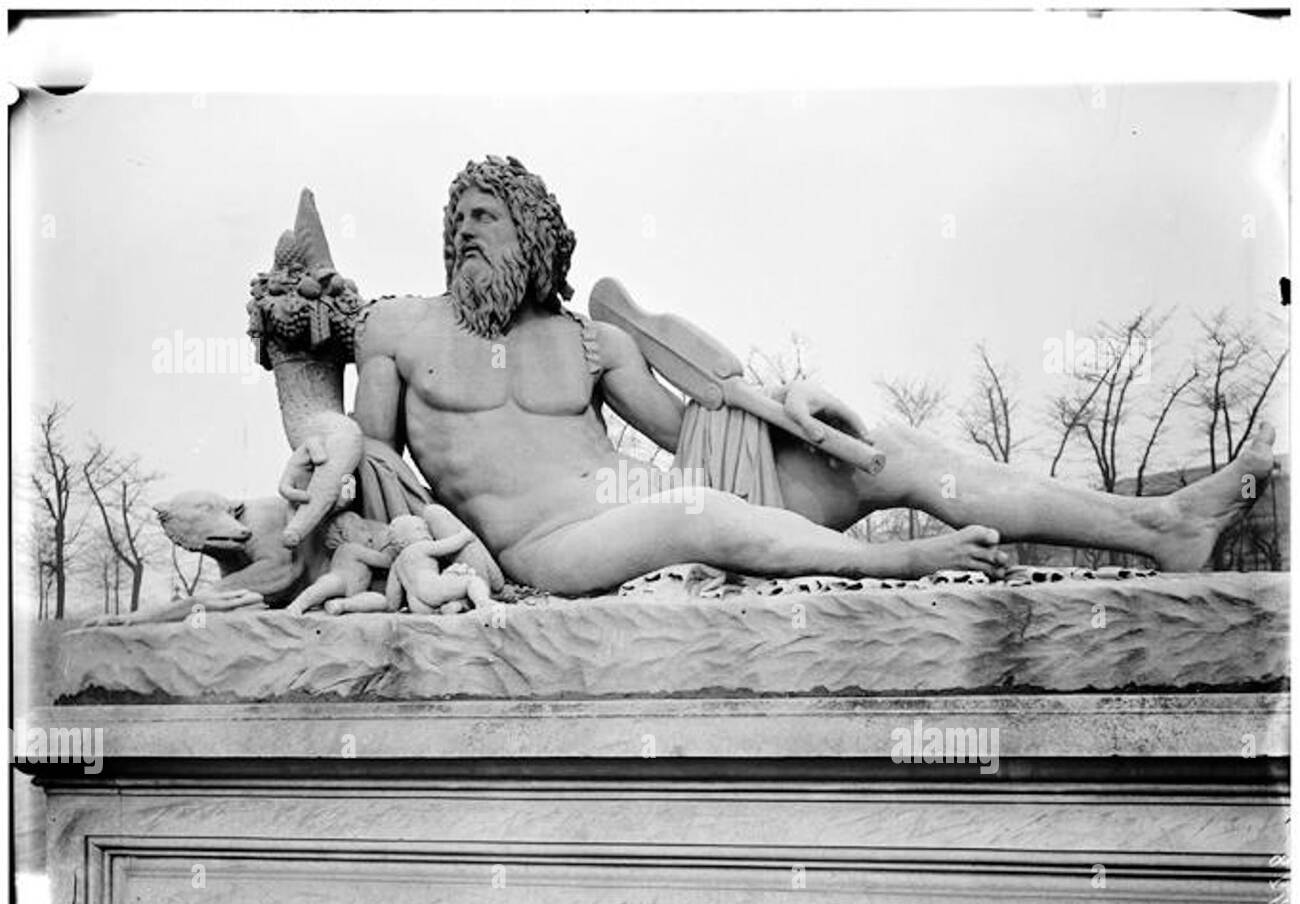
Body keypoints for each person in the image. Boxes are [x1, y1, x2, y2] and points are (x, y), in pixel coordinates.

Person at [303, 155, 1274, 596]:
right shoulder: (398, 329)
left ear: (536, 234)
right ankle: (899, 567)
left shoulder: (585, 343)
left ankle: (1157, 526)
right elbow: (377, 462)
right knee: (691, 516)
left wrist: (786, 405)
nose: (466, 228)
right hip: (550, 551)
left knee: (886, 452)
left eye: (489, 214)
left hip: (665, 501)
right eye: (456, 217)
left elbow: (696, 437)